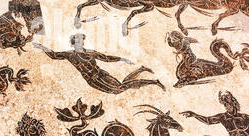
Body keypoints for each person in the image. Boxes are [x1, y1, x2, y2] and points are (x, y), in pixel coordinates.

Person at [33, 33, 165, 94]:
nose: (81, 43)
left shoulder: (91, 52)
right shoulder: (70, 54)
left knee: (119, 88)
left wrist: (122, 59)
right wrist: (41, 47)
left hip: (100, 74)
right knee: (119, 88)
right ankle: (143, 73)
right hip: (91, 79)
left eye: (81, 41)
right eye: (78, 41)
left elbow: (106, 58)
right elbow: (54, 55)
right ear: (73, 43)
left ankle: (151, 80)